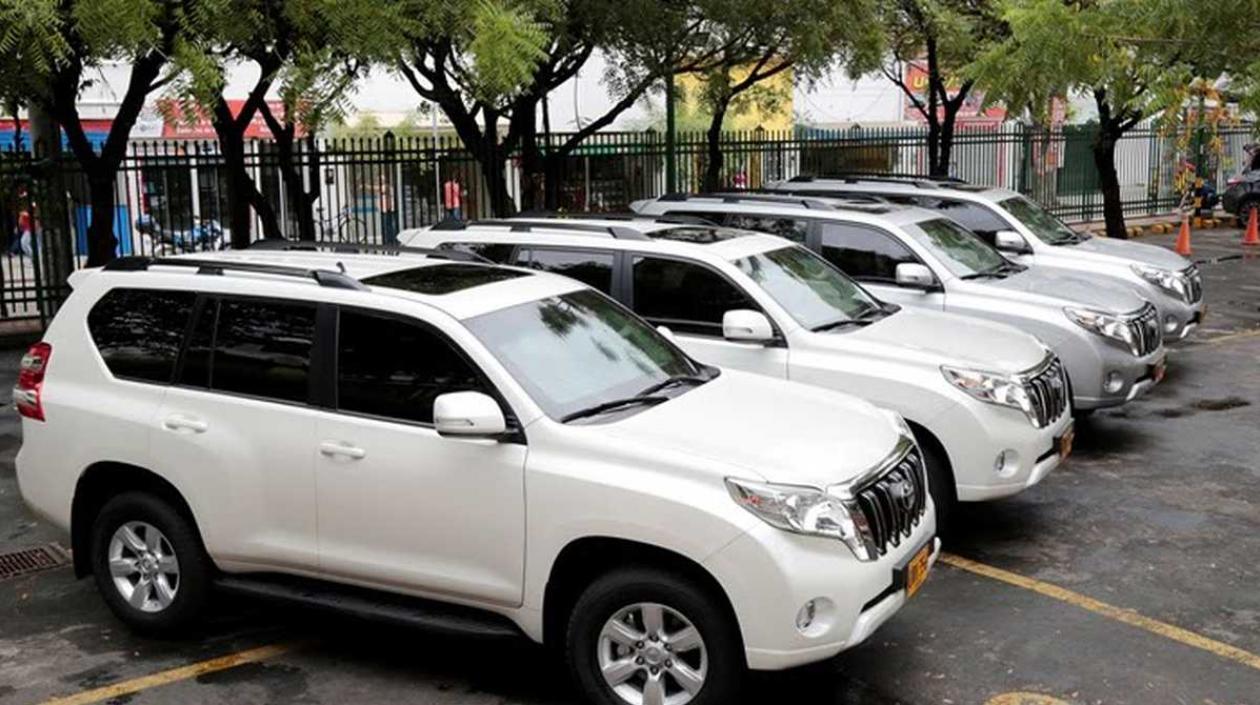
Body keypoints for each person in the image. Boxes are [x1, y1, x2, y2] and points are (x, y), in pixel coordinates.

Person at [378, 173, 398, 245]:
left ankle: (391, 240)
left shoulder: (386, 187)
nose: (380, 181)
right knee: (387, 226)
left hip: (388, 209)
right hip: (385, 209)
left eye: (381, 179)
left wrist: (365, 186)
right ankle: (389, 240)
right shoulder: (386, 187)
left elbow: (378, 189)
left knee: (388, 226)